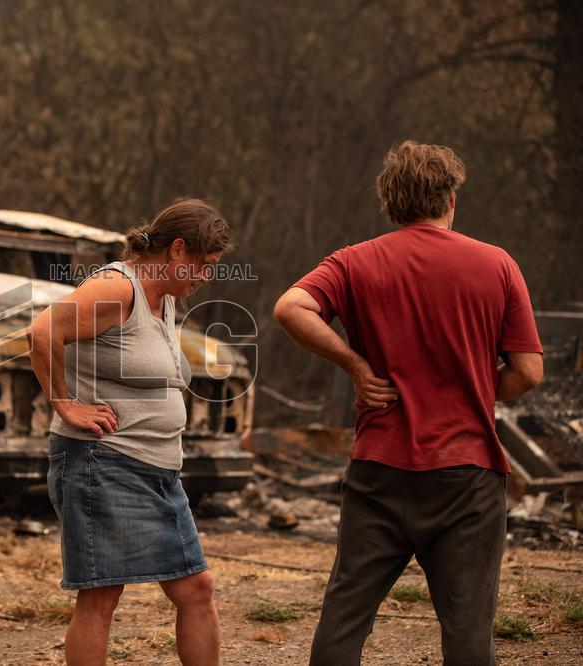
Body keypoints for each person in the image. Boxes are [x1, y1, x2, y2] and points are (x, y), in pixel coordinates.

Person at [273, 140, 544, 665]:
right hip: (467, 475)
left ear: (391, 202)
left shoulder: (353, 261)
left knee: (344, 618)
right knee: (468, 632)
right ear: (451, 199)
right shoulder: (497, 264)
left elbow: (290, 308)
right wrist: (470, 386)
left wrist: (355, 365)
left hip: (380, 467)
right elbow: (529, 372)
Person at [27, 198, 235, 666]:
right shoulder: (116, 287)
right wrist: (65, 404)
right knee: (101, 595)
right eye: (204, 264)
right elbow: (42, 332)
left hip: (157, 471)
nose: (206, 276)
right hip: (102, 463)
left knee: (196, 588)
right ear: (177, 250)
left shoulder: (165, 300)